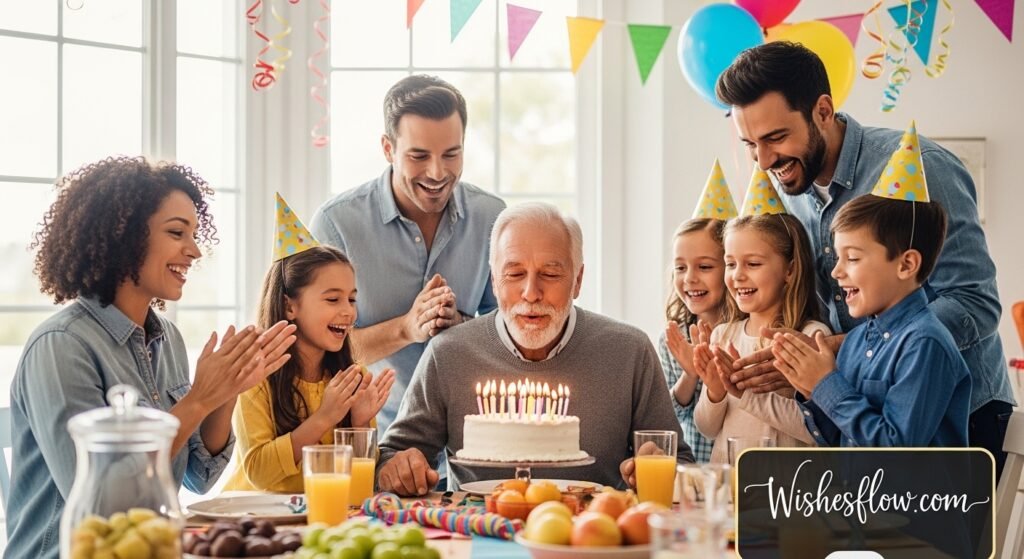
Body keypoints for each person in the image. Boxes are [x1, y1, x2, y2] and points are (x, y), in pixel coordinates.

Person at [715, 41, 1015, 473]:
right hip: (855, 419)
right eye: (750, 145)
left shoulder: (925, 168)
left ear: (822, 110)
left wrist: (847, 350)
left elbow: (974, 302)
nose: (763, 161)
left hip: (958, 423)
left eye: (776, 138)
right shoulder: (783, 190)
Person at [5, 157, 296, 559]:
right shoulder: (61, 346)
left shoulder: (167, 339)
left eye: (194, 233)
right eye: (177, 232)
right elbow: (101, 507)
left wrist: (226, 391)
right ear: (122, 237)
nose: (194, 250)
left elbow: (199, 476)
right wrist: (197, 399)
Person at [375, 203, 694, 495]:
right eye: (514, 274)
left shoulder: (629, 352)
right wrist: (399, 467)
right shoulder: (448, 354)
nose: (531, 293)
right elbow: (392, 455)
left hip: (592, 539)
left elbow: (681, 464)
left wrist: (661, 469)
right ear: (494, 280)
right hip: (478, 536)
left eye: (550, 274)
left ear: (578, 280)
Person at [310, 75, 506, 434]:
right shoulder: (337, 225)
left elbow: (512, 335)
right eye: (419, 156)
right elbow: (315, 354)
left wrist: (461, 327)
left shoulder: (493, 218)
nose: (437, 173)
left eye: (451, 154)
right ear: (388, 149)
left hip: (470, 445)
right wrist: (406, 327)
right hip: (372, 446)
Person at [772, 157, 971, 446]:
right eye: (838, 258)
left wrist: (826, 384)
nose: (836, 271)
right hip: (857, 491)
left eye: (852, 258)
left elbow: (895, 449)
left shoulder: (925, 343)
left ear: (906, 265)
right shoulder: (855, 342)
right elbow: (839, 440)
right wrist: (811, 390)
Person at [225, 195, 394, 493]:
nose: (349, 311)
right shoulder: (256, 376)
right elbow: (259, 474)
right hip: (252, 519)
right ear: (290, 306)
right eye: (332, 299)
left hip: (318, 519)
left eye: (352, 299)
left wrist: (360, 422)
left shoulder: (353, 380)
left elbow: (358, 486)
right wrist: (325, 417)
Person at [693, 173, 831, 463]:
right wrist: (716, 392)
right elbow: (706, 428)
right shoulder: (723, 335)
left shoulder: (810, 337)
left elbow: (816, 430)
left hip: (783, 495)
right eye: (730, 264)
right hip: (728, 492)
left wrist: (744, 394)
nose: (738, 275)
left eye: (753, 263)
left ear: (790, 270)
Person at [658, 160, 740, 463]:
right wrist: (690, 375)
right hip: (693, 476)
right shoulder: (672, 338)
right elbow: (667, 415)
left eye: (704, 267)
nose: (690, 278)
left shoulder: (745, 334)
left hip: (738, 473)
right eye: (681, 267)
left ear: (731, 268)